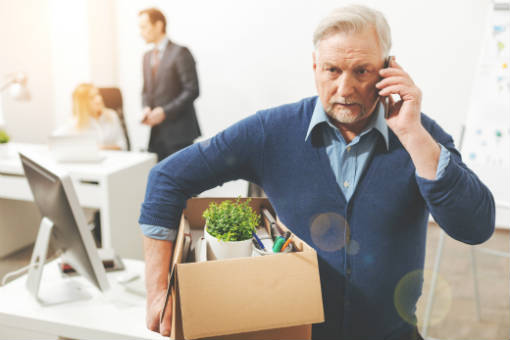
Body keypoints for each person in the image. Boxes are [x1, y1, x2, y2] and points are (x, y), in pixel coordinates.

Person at [138, 5, 495, 339]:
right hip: (293, 332)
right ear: (314, 67)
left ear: (388, 69)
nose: (345, 88)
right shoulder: (271, 131)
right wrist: (158, 295)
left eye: (362, 71)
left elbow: (475, 227)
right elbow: (167, 179)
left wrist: (414, 136)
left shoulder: (419, 135)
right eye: (332, 70)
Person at [138, 7, 201, 161]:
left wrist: (164, 112)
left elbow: (192, 90)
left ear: (158, 25)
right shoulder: (147, 57)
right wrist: (146, 108)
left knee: (182, 182)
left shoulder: (180, 52)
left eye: (144, 27)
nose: (140, 32)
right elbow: (146, 90)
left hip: (179, 134)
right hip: (156, 135)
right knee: (160, 180)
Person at [55, 83, 127, 150]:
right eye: (92, 98)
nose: (98, 99)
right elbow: (55, 140)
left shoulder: (112, 115)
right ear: (82, 103)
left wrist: (102, 149)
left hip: (113, 160)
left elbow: (123, 145)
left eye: (98, 94)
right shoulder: (75, 122)